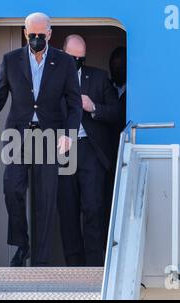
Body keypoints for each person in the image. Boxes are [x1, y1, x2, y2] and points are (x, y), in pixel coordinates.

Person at [0, 13, 82, 267]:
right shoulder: (11, 60)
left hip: (50, 137)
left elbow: (74, 104)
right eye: (33, 35)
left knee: (46, 199)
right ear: (24, 33)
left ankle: (40, 261)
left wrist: (69, 135)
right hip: (17, 135)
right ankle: (22, 244)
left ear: (50, 34)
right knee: (12, 189)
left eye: (42, 35)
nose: (37, 39)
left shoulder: (64, 63)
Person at [57, 34, 120, 267]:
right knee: (67, 209)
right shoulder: (49, 80)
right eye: (72, 58)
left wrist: (93, 106)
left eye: (81, 59)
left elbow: (117, 113)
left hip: (91, 151)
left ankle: (95, 268)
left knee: (93, 207)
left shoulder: (99, 78)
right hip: (63, 151)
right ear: (62, 55)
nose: (76, 63)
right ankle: (74, 269)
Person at [103, 46, 127, 252]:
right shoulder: (107, 87)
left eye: (120, 66)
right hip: (106, 157)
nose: (116, 70)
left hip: (124, 157)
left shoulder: (136, 91)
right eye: (113, 66)